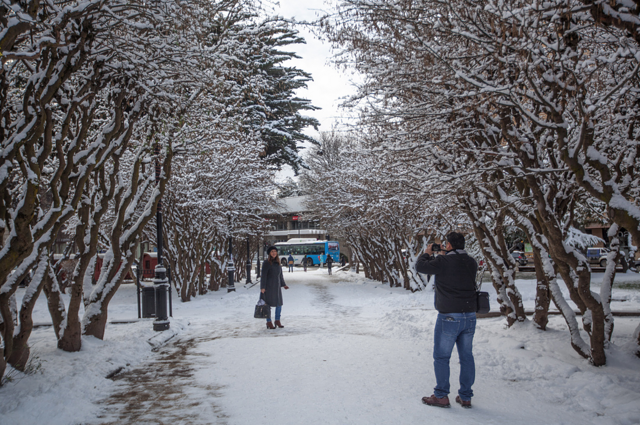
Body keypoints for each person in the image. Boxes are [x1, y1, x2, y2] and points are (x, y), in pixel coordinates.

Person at [415, 232, 478, 409]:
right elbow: (456, 271)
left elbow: (421, 266)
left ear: (448, 245)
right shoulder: (471, 262)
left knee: (442, 356)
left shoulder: (443, 262)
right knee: (467, 356)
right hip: (470, 315)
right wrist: (444, 256)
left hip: (449, 315)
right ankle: (466, 396)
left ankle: (441, 395)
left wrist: (428, 252)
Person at [261, 246, 289, 329]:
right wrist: (263, 287)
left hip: (277, 288)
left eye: (275, 251)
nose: (274, 253)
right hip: (268, 287)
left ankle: (277, 320)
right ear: (269, 253)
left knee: (279, 304)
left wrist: (284, 284)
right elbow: (263, 276)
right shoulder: (266, 263)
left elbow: (280, 275)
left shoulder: (278, 263)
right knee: (268, 305)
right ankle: (268, 321)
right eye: (272, 251)